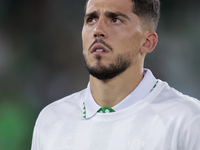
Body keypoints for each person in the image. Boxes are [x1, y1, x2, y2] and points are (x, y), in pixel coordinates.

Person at [31, 0, 200, 149]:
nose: (98, 30)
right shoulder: (51, 120)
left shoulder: (188, 120)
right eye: (91, 19)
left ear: (147, 42)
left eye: (115, 20)